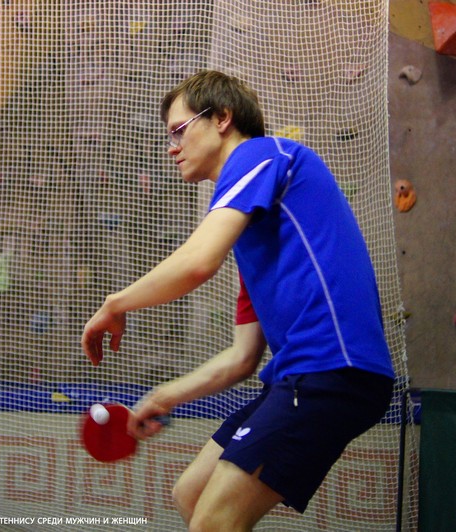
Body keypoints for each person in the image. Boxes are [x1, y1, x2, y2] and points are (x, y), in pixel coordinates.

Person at [81, 70, 395, 531]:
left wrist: (115, 303)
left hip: (332, 368)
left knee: (213, 522)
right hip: (297, 375)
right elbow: (242, 358)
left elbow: (197, 263)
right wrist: (163, 396)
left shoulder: (261, 154)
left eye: (179, 130)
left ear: (222, 118)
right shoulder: (254, 236)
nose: (172, 147)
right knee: (191, 495)